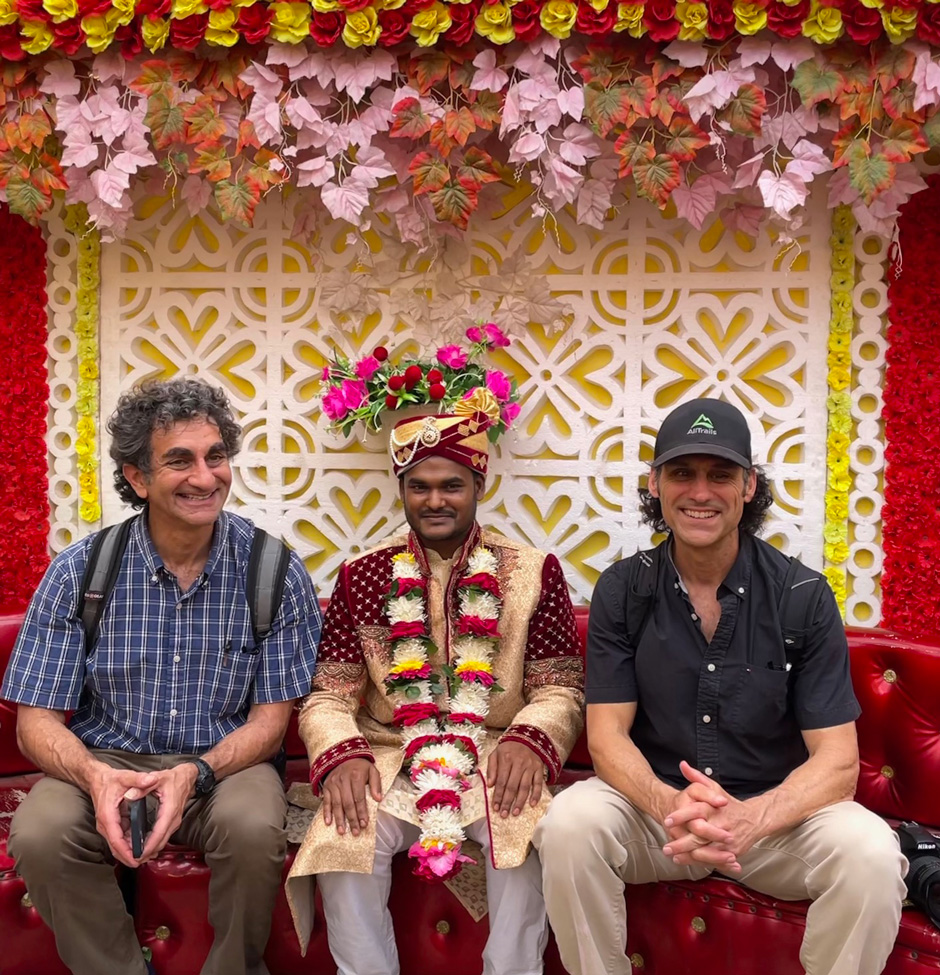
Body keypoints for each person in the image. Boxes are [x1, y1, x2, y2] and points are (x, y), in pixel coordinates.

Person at [534, 398, 907, 975]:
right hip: (657, 816)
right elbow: (607, 738)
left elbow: (837, 761)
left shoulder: (801, 596)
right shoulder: (624, 590)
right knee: (567, 825)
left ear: (749, 486)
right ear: (654, 484)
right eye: (682, 473)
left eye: (720, 474)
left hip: (772, 822)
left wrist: (748, 819)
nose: (700, 492)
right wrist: (669, 804)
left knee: (873, 856)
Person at [2, 378, 321, 975]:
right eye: (180, 460)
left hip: (223, 767)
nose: (205, 477)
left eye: (216, 456)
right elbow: (35, 723)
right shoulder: (80, 571)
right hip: (102, 760)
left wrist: (195, 772)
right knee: (41, 834)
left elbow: (271, 724)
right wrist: (95, 778)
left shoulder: (273, 571)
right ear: (139, 477)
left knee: (253, 829)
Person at [287, 393, 585, 975]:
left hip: (495, 753)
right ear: (401, 491)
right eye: (418, 486)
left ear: (479, 485)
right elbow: (329, 691)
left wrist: (531, 739)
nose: (434, 500)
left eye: (451, 485)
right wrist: (340, 753)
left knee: (521, 826)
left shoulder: (531, 571)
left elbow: (561, 688)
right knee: (345, 831)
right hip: (388, 756)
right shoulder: (364, 574)